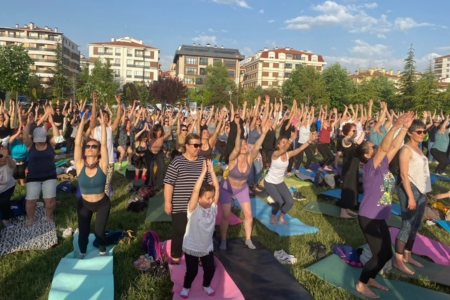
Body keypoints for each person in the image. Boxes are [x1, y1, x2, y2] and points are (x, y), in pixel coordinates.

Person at [355, 112, 414, 299]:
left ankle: (371, 278)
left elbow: (395, 146)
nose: (376, 146)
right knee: (378, 255)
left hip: (380, 216)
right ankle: (361, 284)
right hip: (369, 217)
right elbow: (384, 148)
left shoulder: (383, 164)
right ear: (367, 154)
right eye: (372, 147)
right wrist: (395, 126)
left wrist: (405, 127)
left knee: (387, 253)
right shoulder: (370, 167)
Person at [220, 121, 269, 250]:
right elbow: (236, 148)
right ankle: (223, 240)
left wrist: (264, 133)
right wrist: (239, 133)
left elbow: (257, 146)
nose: (244, 146)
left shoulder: (250, 159)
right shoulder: (232, 159)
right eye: (241, 144)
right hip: (227, 189)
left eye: (245, 144)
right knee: (226, 215)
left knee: (248, 214)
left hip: (242, 189)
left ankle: (248, 239)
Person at [164, 133, 212, 264]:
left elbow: (209, 182)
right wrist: (168, 202)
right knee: (180, 231)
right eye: (195, 145)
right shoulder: (177, 162)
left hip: (198, 205)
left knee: (199, 232)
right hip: (180, 204)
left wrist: (209, 200)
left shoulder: (203, 162)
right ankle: (176, 257)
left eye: (200, 145)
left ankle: (199, 257)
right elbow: (169, 183)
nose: (198, 148)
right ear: (187, 146)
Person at [394, 119, 432, 275]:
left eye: (424, 131)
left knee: (416, 225)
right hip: (410, 190)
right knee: (407, 225)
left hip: (422, 191)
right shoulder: (406, 149)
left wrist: (426, 193)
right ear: (410, 133)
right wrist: (411, 197)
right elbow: (403, 175)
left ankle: (408, 256)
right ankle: (398, 260)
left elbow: (423, 172)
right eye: (419, 132)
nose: (422, 134)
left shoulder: (420, 148)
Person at [180, 160, 219, 299]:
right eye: (208, 198)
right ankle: (186, 287)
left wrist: (212, 172)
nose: (211, 200)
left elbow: (217, 188)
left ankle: (206, 285)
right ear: (199, 198)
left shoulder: (213, 208)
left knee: (210, 268)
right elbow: (196, 190)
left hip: (206, 246)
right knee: (192, 271)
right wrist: (203, 172)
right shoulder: (194, 209)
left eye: (212, 198)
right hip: (192, 245)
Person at [74, 110, 110, 258]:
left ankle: (102, 251)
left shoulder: (102, 164)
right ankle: (82, 252)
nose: (90, 148)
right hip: (84, 204)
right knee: (83, 232)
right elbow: (77, 144)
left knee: (99, 231)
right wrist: (82, 123)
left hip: (102, 203)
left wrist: (102, 125)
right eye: (88, 146)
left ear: (98, 152)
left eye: (94, 147)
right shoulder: (80, 164)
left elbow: (104, 146)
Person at [265, 131, 317, 225]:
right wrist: (290, 140)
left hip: (280, 182)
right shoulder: (275, 154)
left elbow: (300, 149)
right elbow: (282, 150)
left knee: (290, 202)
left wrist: (310, 141)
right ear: (278, 145)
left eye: (286, 142)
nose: (285, 144)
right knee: (279, 202)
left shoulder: (288, 154)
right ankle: (273, 218)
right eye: (283, 142)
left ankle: (281, 217)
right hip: (269, 182)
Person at [23, 108, 60, 226]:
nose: (39, 142)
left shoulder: (51, 144)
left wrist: (52, 123)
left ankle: (48, 217)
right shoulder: (31, 145)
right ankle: (31, 219)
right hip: (33, 176)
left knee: (50, 200)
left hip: (50, 176)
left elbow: (57, 137)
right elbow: (24, 138)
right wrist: (28, 123)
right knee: (31, 201)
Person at [88, 93, 122, 195]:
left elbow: (119, 117)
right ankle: (95, 202)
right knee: (97, 184)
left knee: (106, 186)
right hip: (96, 161)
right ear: (99, 118)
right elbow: (93, 116)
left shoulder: (110, 129)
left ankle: (105, 205)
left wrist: (119, 104)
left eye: (106, 116)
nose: (105, 118)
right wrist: (94, 102)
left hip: (110, 162)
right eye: (103, 116)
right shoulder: (94, 130)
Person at [339, 122, 365, 218]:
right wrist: (363, 133)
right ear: (348, 132)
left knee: (353, 187)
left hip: (353, 166)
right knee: (347, 187)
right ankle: (343, 211)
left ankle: (348, 209)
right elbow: (357, 143)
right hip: (348, 167)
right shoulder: (345, 139)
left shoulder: (351, 139)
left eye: (355, 130)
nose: (355, 132)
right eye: (353, 130)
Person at [0, 146, 17, 229]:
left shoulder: (9, 162)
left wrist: (7, 157)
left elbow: (13, 165)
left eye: (3, 156)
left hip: (8, 187)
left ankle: (6, 219)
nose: (2, 158)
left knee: (4, 201)